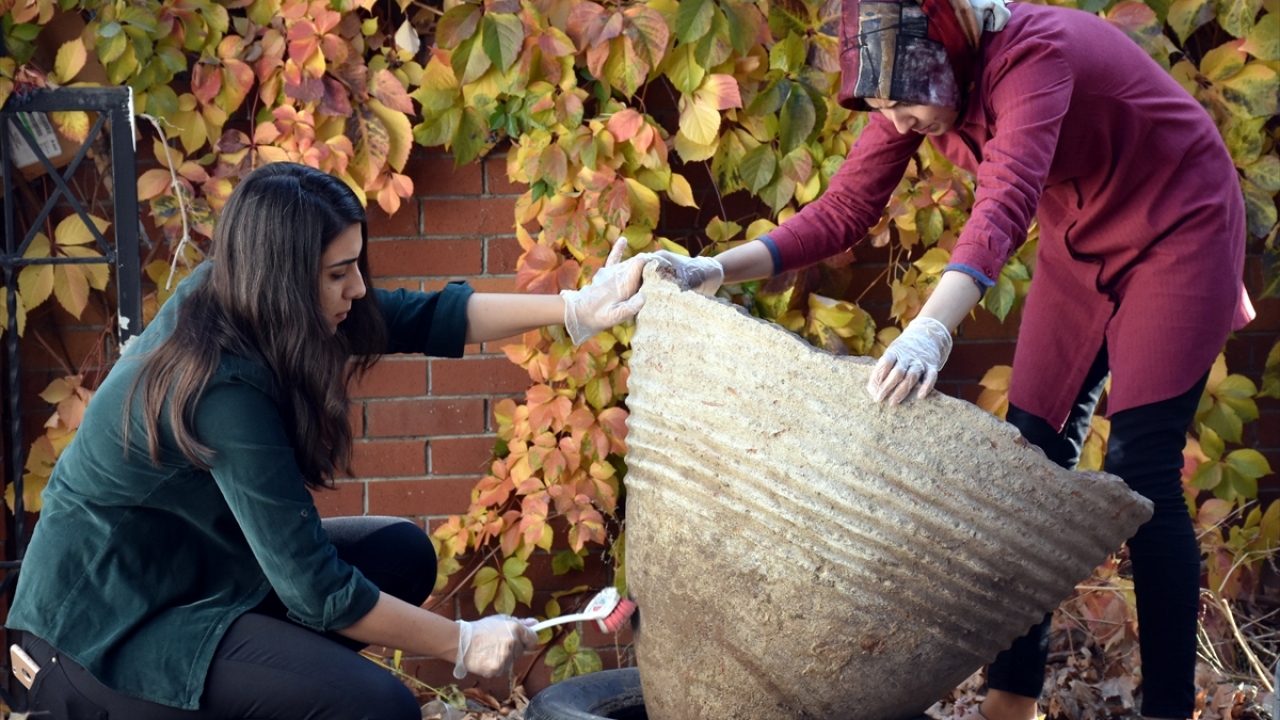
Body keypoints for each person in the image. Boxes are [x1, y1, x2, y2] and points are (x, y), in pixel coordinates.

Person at [657, 0, 1255, 717]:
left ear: (949, 52)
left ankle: (1167, 709)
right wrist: (715, 268)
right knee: (1024, 462)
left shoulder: (1038, 56)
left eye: (908, 106)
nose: (902, 123)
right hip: (1082, 239)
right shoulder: (911, 87)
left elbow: (1002, 205)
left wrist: (930, 330)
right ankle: (1011, 700)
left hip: (1180, 228)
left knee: (1143, 473)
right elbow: (847, 207)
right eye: (885, 109)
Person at [6, 161, 650, 720]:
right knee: (377, 706)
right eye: (339, 273)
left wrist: (576, 309)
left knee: (400, 555)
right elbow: (317, 591)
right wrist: (460, 642)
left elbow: (414, 317)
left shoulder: (245, 295)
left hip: (195, 576)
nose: (359, 288)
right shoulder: (221, 388)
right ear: (285, 279)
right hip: (100, 636)